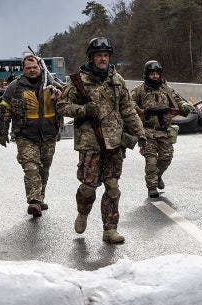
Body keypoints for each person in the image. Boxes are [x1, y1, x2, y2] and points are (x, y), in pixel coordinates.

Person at [56, 36, 146, 243]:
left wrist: (140, 133)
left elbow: (128, 109)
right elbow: (61, 106)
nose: (103, 59)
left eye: (106, 55)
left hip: (114, 142)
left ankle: (110, 229)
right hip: (90, 142)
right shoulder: (79, 80)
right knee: (88, 187)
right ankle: (83, 212)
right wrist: (83, 110)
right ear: (92, 57)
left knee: (112, 186)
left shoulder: (117, 80)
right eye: (99, 55)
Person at [0, 54, 62, 217]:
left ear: (40, 67)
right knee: (31, 168)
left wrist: (60, 95)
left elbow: (69, 97)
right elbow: (5, 109)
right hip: (25, 135)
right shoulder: (15, 86)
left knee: (44, 169)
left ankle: (40, 197)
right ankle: (33, 201)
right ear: (23, 69)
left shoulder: (52, 84)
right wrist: (2, 132)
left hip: (49, 134)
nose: (32, 70)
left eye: (34, 67)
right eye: (28, 68)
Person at [130, 60, 191, 198]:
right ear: (147, 75)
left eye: (157, 73)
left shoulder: (167, 89)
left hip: (164, 131)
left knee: (166, 157)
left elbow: (178, 100)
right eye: (153, 74)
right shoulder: (139, 90)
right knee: (151, 161)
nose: (156, 76)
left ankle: (158, 176)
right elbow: (129, 104)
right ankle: (151, 186)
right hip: (148, 132)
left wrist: (184, 106)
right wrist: (142, 111)